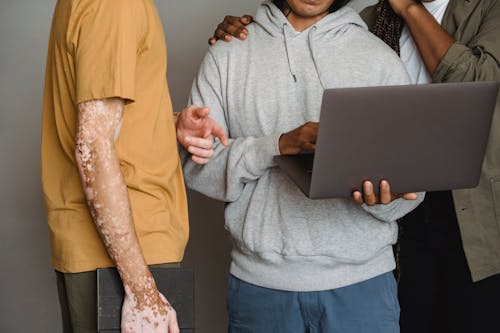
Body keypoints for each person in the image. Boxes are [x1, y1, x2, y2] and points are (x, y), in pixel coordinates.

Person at [211, 0, 500, 332]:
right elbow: (310, 30)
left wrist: (407, 6)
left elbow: (479, 82)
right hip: (395, 220)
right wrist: (255, 31)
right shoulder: (370, 21)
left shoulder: (487, 8)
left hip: (468, 210)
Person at [181, 0, 423, 331]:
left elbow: (414, 186)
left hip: (363, 285)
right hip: (260, 288)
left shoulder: (380, 59)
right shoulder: (228, 53)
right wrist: (277, 146)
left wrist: (384, 201)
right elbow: (197, 170)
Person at [41, 0, 226, 332]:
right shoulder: (117, 6)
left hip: (112, 252)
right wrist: (142, 292)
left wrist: (168, 125)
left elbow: (99, 118)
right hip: (129, 256)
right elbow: (93, 146)